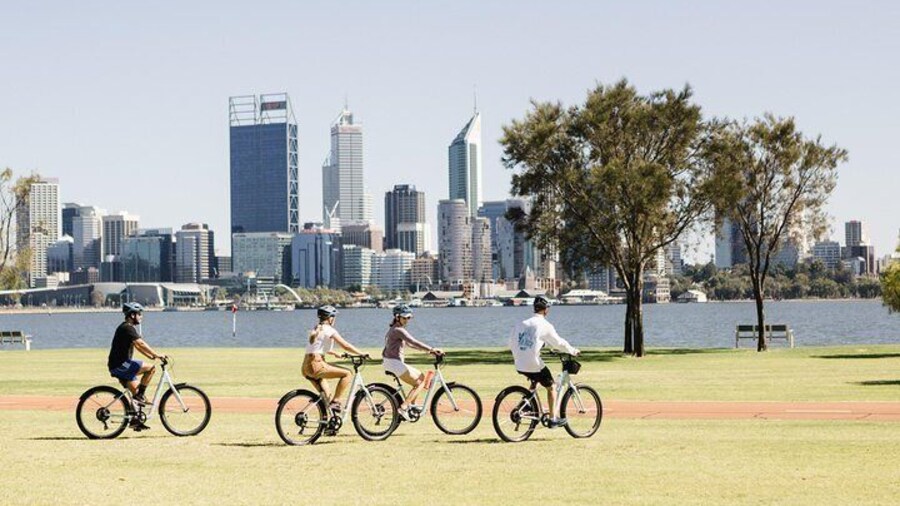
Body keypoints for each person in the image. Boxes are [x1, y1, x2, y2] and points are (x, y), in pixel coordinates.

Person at [508, 295, 579, 428]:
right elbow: (558, 343)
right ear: (546, 309)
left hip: (519, 363)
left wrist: (537, 347)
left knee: (535, 381)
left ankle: (527, 405)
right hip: (532, 363)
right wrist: (573, 350)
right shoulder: (545, 325)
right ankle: (552, 419)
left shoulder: (521, 323)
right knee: (551, 386)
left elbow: (511, 342)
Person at [107, 302, 166, 431]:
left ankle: (135, 420)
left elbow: (138, 346)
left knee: (136, 391)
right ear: (132, 315)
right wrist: (156, 355)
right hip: (121, 365)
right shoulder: (127, 328)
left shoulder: (127, 328)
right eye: (139, 314)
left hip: (118, 365)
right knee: (151, 369)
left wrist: (151, 356)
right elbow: (141, 343)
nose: (141, 317)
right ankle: (140, 396)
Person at [302, 305, 366, 416]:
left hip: (306, 367)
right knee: (347, 373)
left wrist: (335, 353)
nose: (335, 319)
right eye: (334, 317)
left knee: (327, 397)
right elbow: (345, 345)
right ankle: (336, 401)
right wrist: (361, 353)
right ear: (330, 318)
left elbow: (319, 348)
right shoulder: (329, 329)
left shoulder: (316, 328)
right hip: (316, 365)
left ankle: (330, 424)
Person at [382, 304, 443, 420]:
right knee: (420, 383)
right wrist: (431, 349)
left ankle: (412, 407)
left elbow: (410, 344)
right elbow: (413, 341)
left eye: (408, 318)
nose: (407, 320)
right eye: (405, 318)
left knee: (421, 376)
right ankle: (404, 407)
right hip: (394, 363)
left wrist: (428, 352)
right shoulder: (398, 330)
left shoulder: (394, 329)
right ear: (397, 317)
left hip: (391, 362)